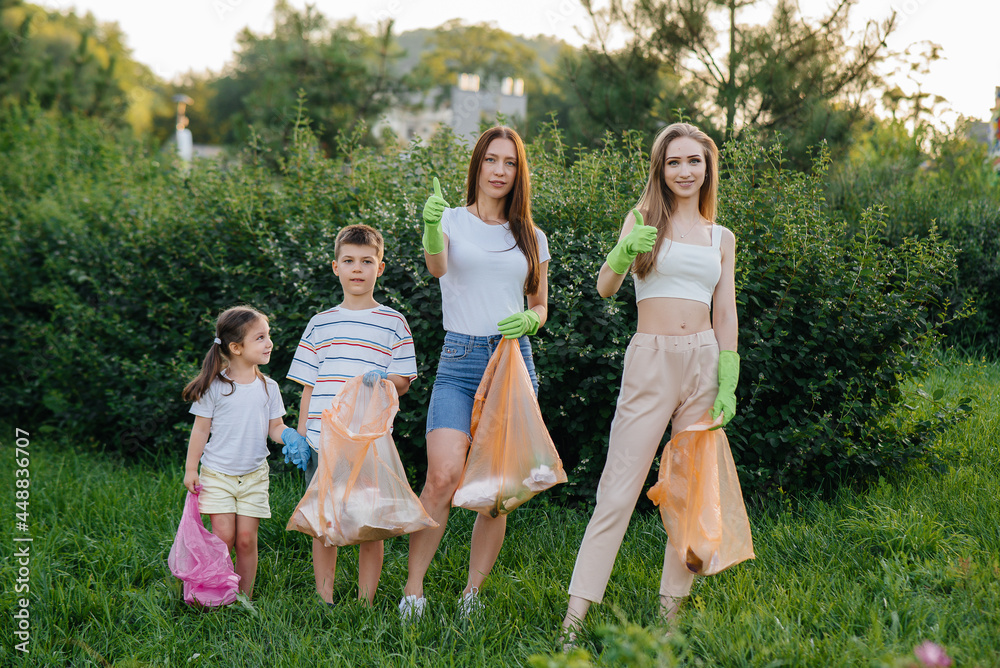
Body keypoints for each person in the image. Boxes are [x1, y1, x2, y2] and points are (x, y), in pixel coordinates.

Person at [561, 122, 740, 637]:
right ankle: (572, 624)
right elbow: (604, 287)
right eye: (674, 162)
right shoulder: (642, 219)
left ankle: (667, 625)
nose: (685, 171)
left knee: (687, 495)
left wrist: (728, 374)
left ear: (708, 169)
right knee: (617, 492)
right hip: (651, 361)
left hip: (705, 362)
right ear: (660, 170)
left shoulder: (721, 237)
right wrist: (621, 252)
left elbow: (725, 310)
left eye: (694, 161)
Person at [400, 125, 550, 620]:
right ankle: (413, 592)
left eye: (509, 162)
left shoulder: (531, 235)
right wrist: (429, 228)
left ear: (518, 172)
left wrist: (531, 318)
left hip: (511, 359)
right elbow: (438, 268)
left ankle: (470, 596)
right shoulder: (452, 221)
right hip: (460, 358)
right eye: (491, 160)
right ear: (477, 165)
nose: (499, 171)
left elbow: (540, 305)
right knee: (442, 476)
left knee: (495, 492)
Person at [286, 223, 418, 606]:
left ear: (380, 267)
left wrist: (384, 381)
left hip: (367, 439)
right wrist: (301, 435)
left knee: (368, 521)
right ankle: (323, 597)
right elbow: (308, 387)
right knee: (323, 520)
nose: (357, 268)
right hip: (322, 438)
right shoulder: (320, 322)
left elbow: (404, 379)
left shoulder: (393, 322)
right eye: (349, 261)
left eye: (366, 261)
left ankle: (366, 600)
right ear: (335, 267)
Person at [182, 305, 310, 599]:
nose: (269, 343)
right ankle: (215, 590)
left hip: (254, 476)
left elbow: (274, 427)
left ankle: (243, 597)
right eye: (260, 338)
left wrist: (289, 436)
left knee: (246, 539)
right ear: (236, 348)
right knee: (224, 537)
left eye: (268, 336)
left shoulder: (269, 387)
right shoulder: (216, 387)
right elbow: (200, 430)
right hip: (217, 474)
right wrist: (191, 469)